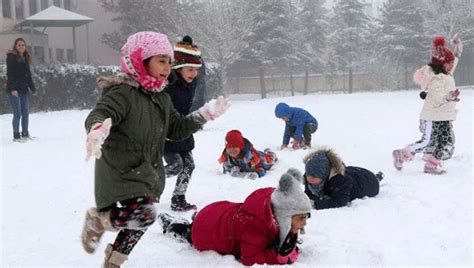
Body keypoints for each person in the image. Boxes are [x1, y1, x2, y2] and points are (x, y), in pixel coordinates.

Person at [79, 31, 230, 267]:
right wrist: (97, 129)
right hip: (121, 170)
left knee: (143, 219)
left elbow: (176, 129)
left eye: (169, 62)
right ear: (140, 59)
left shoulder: (161, 98)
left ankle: (113, 262)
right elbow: (101, 113)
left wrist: (204, 114)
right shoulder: (122, 93)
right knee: (145, 214)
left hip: (146, 171)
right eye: (161, 60)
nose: (167, 67)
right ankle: (100, 221)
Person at [157, 168, 312, 265]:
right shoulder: (257, 225)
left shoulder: (276, 206)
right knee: (190, 232)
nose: (304, 223)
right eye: (301, 218)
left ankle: (198, 218)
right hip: (208, 231)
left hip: (218, 213)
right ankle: (172, 226)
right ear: (285, 216)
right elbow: (250, 258)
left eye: (306, 217)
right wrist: (275, 257)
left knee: (206, 221)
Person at [393, 37, 462, 174]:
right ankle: (402, 154)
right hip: (433, 116)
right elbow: (438, 98)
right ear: (442, 64)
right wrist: (450, 96)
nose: (452, 64)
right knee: (427, 141)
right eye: (449, 62)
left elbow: (455, 59)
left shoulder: (447, 73)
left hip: (444, 116)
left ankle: (432, 164)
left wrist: (458, 47)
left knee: (445, 140)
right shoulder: (436, 79)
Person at [163, 35, 203, 212]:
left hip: (183, 127)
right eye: (189, 69)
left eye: (196, 69)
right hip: (167, 131)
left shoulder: (191, 81)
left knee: (189, 165)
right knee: (175, 166)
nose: (193, 74)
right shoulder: (167, 83)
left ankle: (178, 198)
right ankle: (145, 181)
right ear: (178, 68)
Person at [303, 147, 383, 210]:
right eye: (309, 182)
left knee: (374, 179)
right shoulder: (309, 175)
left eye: (314, 183)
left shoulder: (341, 180)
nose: (310, 184)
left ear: (325, 176)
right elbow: (309, 194)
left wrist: (315, 204)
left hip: (369, 182)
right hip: (352, 172)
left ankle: (378, 177)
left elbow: (340, 201)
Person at [5, 38, 36, 142]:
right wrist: (13, 88)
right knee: (17, 113)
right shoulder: (11, 57)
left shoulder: (25, 57)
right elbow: (10, 74)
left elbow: (28, 75)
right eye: (19, 45)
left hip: (23, 89)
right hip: (13, 90)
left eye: (23, 45)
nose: (21, 47)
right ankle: (16, 135)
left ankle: (25, 133)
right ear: (15, 46)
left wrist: (32, 88)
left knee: (25, 112)